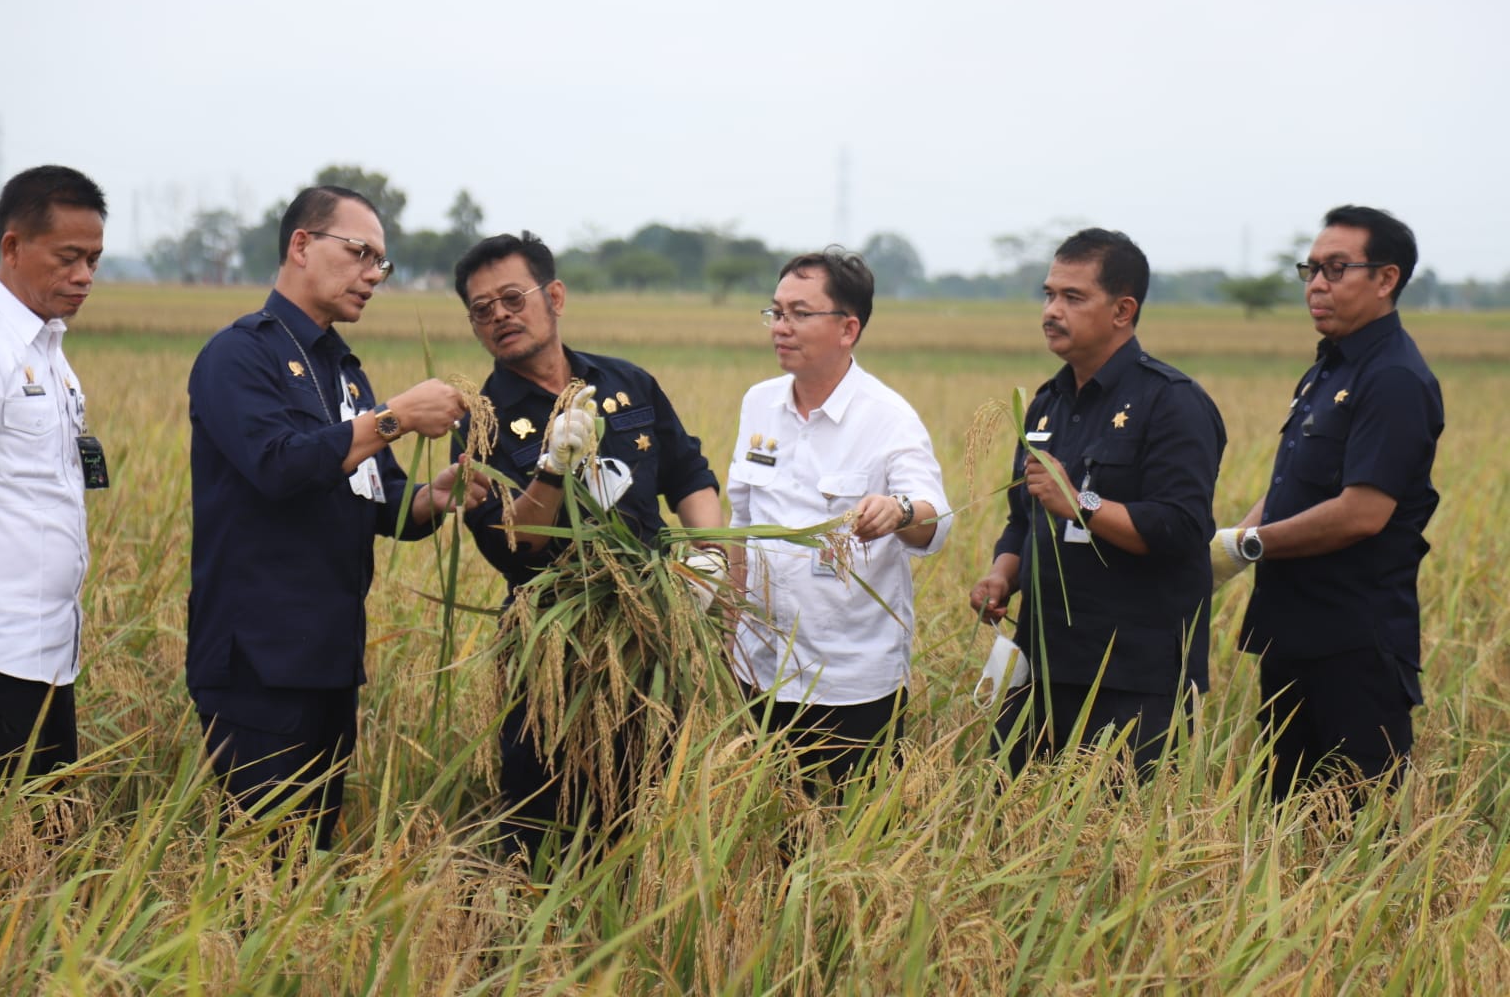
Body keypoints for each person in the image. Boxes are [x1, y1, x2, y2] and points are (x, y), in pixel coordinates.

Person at [187, 186, 472, 851]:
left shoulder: (343, 370)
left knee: (311, 858)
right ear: (301, 245)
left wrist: (438, 495)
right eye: (359, 253)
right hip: (257, 665)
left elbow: (385, 500)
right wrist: (395, 418)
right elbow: (278, 466)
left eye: (382, 263)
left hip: (330, 661)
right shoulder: (239, 355)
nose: (373, 274)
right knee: (260, 863)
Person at [452, 230, 723, 858]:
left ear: (554, 297)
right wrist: (551, 469)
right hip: (551, 650)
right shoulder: (480, 422)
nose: (500, 316)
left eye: (513, 298)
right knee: (545, 828)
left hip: (652, 638)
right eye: (482, 309)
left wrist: (710, 558)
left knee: (652, 818)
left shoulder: (628, 383)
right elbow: (510, 545)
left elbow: (688, 474)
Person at [970, 228, 1225, 775]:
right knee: (1011, 814)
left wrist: (1081, 501)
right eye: (1048, 294)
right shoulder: (1045, 405)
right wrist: (1001, 575)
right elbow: (1023, 520)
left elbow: (1181, 528)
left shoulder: (1172, 403)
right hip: (1039, 668)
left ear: (1122, 310)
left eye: (1073, 297)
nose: (1051, 311)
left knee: (1119, 825)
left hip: (1132, 680)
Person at [1213, 205, 1443, 801]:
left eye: (1336, 269)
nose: (1316, 284)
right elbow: (1294, 486)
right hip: (1293, 634)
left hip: (1354, 646)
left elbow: (1362, 512)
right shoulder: (1329, 369)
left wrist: (1249, 545)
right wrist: (1225, 548)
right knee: (1287, 826)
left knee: (1355, 826)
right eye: (1310, 269)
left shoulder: (1393, 378)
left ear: (1386, 279)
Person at [727, 248, 952, 791]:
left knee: (857, 827)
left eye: (800, 314)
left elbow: (935, 518)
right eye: (776, 312)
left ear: (848, 328)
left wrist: (897, 511)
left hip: (852, 681)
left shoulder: (887, 417)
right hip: (760, 670)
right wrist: (727, 635)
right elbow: (741, 523)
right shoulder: (759, 403)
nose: (781, 327)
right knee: (769, 819)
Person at [0, 166, 108, 792]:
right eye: (68, 258)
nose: (84, 276)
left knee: (48, 840)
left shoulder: (49, 351)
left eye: (93, 260)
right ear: (13, 247)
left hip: (49, 657)